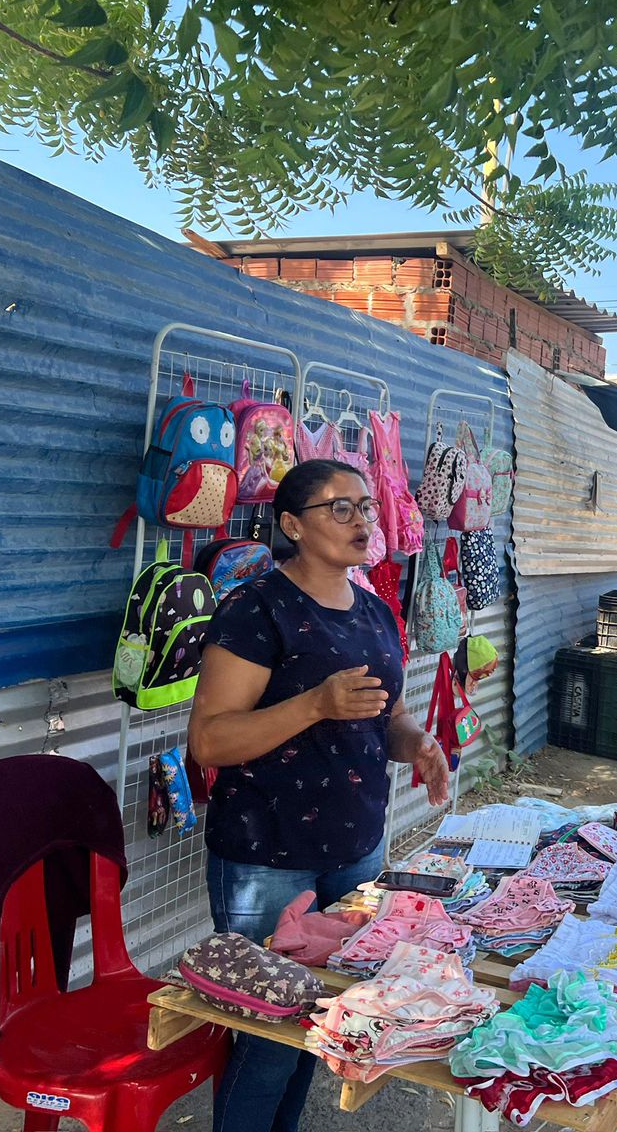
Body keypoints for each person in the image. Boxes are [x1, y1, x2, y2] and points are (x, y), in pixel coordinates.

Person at [189, 459, 450, 1132]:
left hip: (355, 852)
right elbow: (211, 743)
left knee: (319, 1024)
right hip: (267, 857)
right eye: (339, 508)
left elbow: (381, 719)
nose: (361, 520)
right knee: (267, 1041)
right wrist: (314, 704)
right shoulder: (255, 610)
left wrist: (418, 742)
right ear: (291, 526)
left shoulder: (374, 611)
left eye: (365, 506)